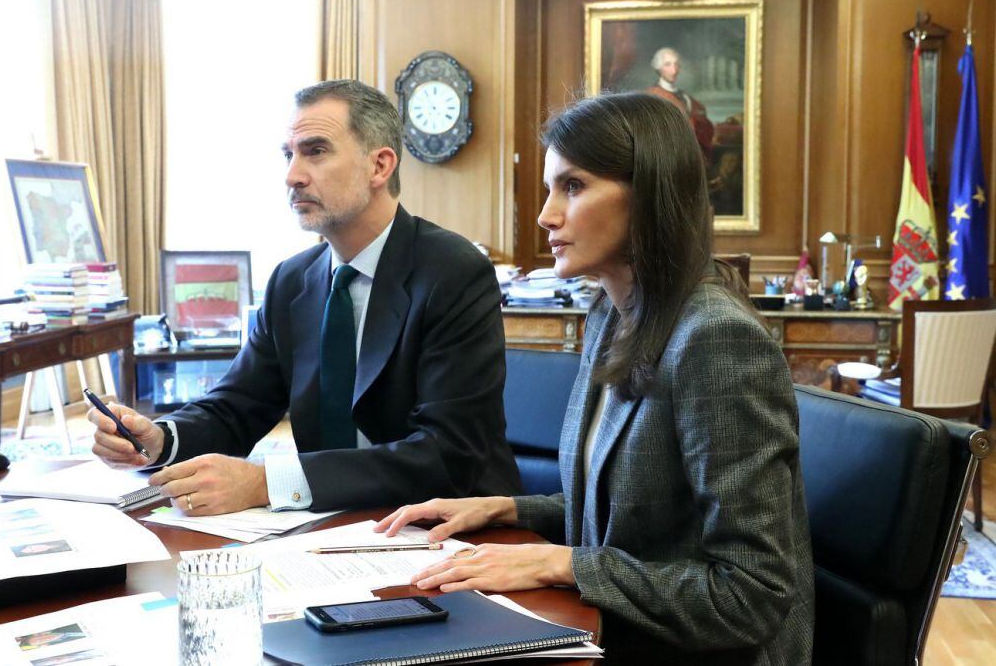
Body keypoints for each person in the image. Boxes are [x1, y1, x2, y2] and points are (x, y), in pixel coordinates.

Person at [376, 92, 814, 664]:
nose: (546, 215)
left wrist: (562, 562)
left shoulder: (716, 338)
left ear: (650, 195)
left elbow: (752, 594)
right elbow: (636, 514)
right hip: (615, 634)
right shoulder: (611, 313)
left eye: (574, 186)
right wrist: (503, 508)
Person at [90, 79, 521, 515]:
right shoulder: (292, 281)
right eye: (289, 154)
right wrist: (159, 437)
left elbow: (449, 453)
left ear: (380, 166)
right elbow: (237, 407)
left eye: (315, 151)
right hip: (330, 522)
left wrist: (267, 482)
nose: (292, 175)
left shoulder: (453, 272)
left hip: (452, 529)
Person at [644, 47, 714, 163]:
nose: (674, 70)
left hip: (687, 150)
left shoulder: (685, 97)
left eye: (676, 65)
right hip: (664, 152)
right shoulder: (652, 95)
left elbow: (702, 119)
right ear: (658, 68)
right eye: (668, 65)